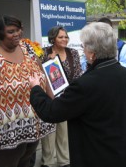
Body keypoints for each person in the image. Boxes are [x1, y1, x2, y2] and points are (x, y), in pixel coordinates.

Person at [29, 22, 126, 167]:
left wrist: (35, 88)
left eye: (84, 47)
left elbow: (51, 112)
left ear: (92, 54)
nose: (83, 51)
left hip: (99, 157)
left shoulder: (85, 84)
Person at [0, 15, 55, 167]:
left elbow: (42, 74)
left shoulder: (27, 49)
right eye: (11, 31)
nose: (17, 34)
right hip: (2, 129)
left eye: (19, 29)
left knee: (25, 161)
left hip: (31, 125)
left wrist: (52, 101)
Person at [39, 26, 82, 167]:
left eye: (66, 37)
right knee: (49, 132)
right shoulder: (44, 53)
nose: (64, 39)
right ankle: (48, 162)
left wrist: (69, 92)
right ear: (53, 39)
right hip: (49, 99)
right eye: (61, 37)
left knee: (64, 131)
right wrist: (48, 62)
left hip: (66, 98)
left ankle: (64, 161)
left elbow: (77, 74)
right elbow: (38, 74)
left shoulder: (73, 53)